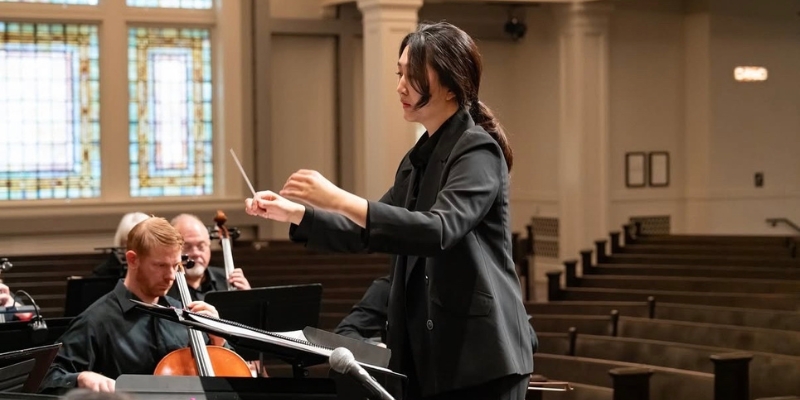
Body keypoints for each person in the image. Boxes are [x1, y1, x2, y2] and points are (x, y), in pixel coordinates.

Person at [246, 21, 532, 400]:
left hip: (481, 358)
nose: (400, 86)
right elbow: (365, 230)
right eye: (399, 73)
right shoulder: (416, 161)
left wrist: (338, 198)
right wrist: (296, 214)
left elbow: (438, 230)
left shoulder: (477, 149)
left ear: (451, 85)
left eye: (412, 75)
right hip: (430, 358)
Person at [40, 217, 229, 394]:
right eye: (161, 266)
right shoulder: (97, 320)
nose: (171, 276)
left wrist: (218, 341)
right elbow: (48, 377)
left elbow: (226, 379)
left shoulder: (184, 314)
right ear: (132, 259)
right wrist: (81, 377)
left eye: (175, 266)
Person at [334, 275, 539, 355]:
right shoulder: (389, 287)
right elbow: (344, 333)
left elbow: (529, 340)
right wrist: (377, 350)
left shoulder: (477, 285)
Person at [169, 214, 251, 302]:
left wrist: (249, 298)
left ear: (209, 245)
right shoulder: (164, 286)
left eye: (201, 246)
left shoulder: (228, 280)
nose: (195, 253)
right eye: (186, 247)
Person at [92, 212, 150, 278]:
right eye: (128, 243)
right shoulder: (102, 274)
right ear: (121, 242)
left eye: (140, 242)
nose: (135, 249)